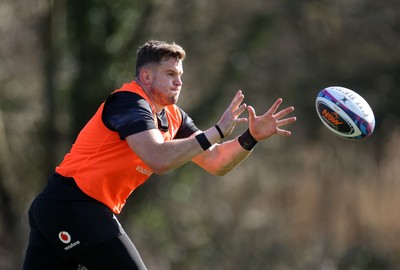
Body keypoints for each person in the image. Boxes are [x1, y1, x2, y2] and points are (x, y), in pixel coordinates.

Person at [22, 40, 296, 269]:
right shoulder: (128, 102)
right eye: (170, 74)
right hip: (73, 204)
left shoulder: (173, 117)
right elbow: (158, 157)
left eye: (180, 76)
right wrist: (216, 131)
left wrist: (251, 137)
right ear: (146, 76)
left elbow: (216, 162)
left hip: (64, 208)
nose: (178, 82)